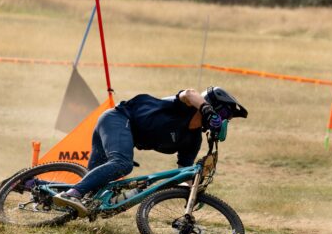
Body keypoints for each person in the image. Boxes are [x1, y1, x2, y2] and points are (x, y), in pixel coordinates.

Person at [53, 86, 247, 215]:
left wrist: (193, 191)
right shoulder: (183, 107)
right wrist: (206, 109)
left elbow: (184, 169)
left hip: (124, 134)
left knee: (93, 192)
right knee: (122, 164)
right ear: (211, 106)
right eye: (222, 114)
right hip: (117, 119)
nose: (222, 121)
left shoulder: (192, 139)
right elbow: (189, 93)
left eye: (225, 119)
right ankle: (71, 194)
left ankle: (34, 185)